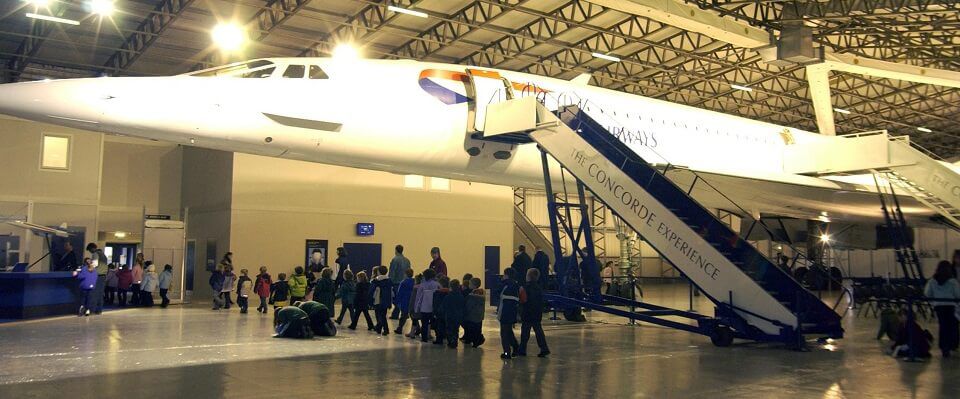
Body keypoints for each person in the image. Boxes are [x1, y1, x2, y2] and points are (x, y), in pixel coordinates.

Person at [924, 260, 960, 357]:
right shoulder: (953, 281)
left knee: (942, 326)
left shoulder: (932, 281)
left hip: (939, 306)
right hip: (950, 306)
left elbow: (927, 293)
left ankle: (943, 347)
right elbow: (958, 294)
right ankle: (951, 345)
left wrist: (934, 300)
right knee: (951, 327)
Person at [519, 268, 550, 357]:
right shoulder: (539, 288)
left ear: (528, 276)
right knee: (539, 331)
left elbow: (523, 300)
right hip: (537, 312)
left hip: (527, 312)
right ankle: (544, 348)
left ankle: (522, 349)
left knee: (525, 332)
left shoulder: (524, 287)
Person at [498, 267, 522, 359]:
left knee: (504, 332)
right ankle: (516, 347)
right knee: (508, 331)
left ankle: (507, 352)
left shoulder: (505, 285)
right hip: (513, 311)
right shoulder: (516, 285)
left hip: (504, 311)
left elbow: (498, 293)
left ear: (506, 275)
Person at [414, 269, 441, 342]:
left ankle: (424, 338)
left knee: (424, 324)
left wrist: (416, 308)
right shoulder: (437, 284)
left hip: (424, 308)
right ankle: (439, 338)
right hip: (434, 308)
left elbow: (418, 298)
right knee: (435, 323)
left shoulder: (422, 285)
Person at [440, 279, 466, 348]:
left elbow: (443, 306)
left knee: (449, 329)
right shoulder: (461, 296)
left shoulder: (448, 297)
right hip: (458, 316)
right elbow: (463, 306)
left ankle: (451, 341)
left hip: (449, 316)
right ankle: (454, 340)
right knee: (456, 329)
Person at [388, 245, 411, 319]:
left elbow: (392, 272)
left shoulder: (395, 259)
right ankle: (401, 313)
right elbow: (409, 271)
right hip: (405, 281)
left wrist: (390, 281)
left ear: (396, 250)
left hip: (396, 282)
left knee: (396, 299)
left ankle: (399, 313)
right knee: (403, 298)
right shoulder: (407, 260)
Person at [86, 243, 109, 314]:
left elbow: (94, 265)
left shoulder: (95, 254)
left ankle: (92, 310)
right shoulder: (103, 255)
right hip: (103, 276)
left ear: (92, 248)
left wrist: (88, 267)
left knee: (94, 293)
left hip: (97, 276)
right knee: (100, 294)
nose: (90, 252)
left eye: (90, 250)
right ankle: (99, 310)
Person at [463, 277, 486, 347]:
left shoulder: (472, 295)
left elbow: (469, 305)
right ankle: (477, 341)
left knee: (471, 329)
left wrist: (466, 311)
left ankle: (471, 340)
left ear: (473, 285)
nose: (468, 285)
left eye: (470, 283)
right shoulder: (482, 294)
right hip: (479, 315)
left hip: (472, 315)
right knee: (478, 329)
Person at [371, 265, 393, 335]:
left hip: (378, 300)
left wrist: (370, 300)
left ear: (378, 272)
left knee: (379, 315)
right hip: (386, 301)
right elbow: (391, 292)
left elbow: (372, 291)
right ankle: (380, 328)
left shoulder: (376, 281)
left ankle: (385, 329)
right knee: (383, 315)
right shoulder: (389, 281)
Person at [431, 276, 451, 345]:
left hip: (439, 313)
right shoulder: (449, 293)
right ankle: (447, 337)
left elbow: (435, 303)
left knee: (439, 327)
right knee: (446, 325)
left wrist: (434, 312)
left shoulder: (437, 293)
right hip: (447, 313)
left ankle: (439, 339)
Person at [394, 268, 415, 335]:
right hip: (412, 301)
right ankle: (418, 329)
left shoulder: (403, 282)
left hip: (404, 301)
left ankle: (399, 328)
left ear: (405, 274)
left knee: (403, 316)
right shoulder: (414, 282)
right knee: (413, 316)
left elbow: (400, 293)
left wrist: (396, 301)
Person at [405, 273, 424, 339]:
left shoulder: (415, 289)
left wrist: (410, 308)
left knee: (414, 320)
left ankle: (412, 333)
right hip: (423, 307)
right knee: (423, 321)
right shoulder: (424, 288)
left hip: (415, 307)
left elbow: (413, 299)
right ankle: (424, 333)